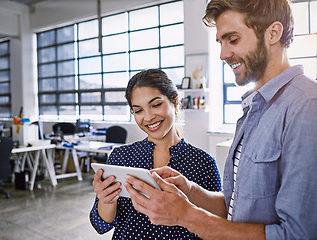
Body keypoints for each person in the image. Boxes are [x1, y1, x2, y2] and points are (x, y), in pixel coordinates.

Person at [124, 0, 317, 239]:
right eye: (221, 42)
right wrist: (190, 191)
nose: (223, 54)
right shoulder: (253, 109)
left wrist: (187, 216)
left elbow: (299, 234)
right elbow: (238, 207)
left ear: (273, 33)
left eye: (233, 40)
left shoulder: (307, 106)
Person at [89, 69, 222, 239]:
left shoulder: (203, 163)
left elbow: (216, 226)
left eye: (156, 105)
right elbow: (100, 225)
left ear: (175, 102)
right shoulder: (120, 157)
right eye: (138, 111)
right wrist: (106, 200)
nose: (149, 117)